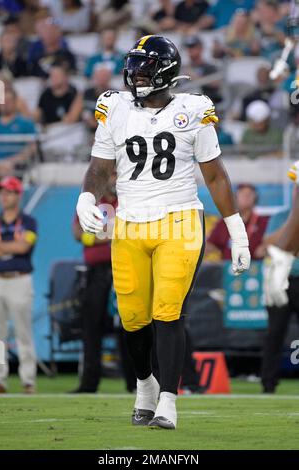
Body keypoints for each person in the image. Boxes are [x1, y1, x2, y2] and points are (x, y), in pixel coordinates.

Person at [76, 35, 251, 430]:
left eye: (146, 66)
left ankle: (168, 401)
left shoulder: (193, 109)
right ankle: (145, 387)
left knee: (167, 311)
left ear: (167, 71)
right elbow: (100, 167)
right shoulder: (115, 107)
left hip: (180, 221)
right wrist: (86, 197)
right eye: (134, 65)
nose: (137, 74)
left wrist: (236, 231)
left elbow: (215, 175)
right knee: (133, 317)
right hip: (130, 224)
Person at [71, 172, 117, 393]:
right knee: (91, 327)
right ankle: (89, 383)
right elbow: (77, 232)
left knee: (131, 324)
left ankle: (135, 383)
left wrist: (94, 236)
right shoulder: (90, 201)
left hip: (123, 268)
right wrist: (105, 235)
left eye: (116, 174)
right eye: (111, 174)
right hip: (96, 272)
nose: (113, 179)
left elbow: (126, 231)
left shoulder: (128, 198)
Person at [262, 162, 299, 393]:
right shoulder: (281, 215)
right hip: (283, 278)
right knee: (274, 333)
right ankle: (268, 383)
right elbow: (269, 243)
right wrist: (293, 221)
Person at [0, 176, 38, 394]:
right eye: (2, 191)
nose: (4, 195)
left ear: (18, 195)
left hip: (20, 279)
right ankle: (0, 379)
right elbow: (18, 245)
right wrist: (12, 245)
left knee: (24, 333)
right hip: (0, 280)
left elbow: (23, 247)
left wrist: (6, 246)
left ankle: (28, 380)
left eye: (9, 191)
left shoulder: (29, 222)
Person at [206, 183, 269, 260]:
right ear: (236, 198)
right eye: (242, 194)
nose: (246, 197)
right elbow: (210, 244)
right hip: (228, 268)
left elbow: (272, 243)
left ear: (255, 198)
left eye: (249, 194)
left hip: (254, 268)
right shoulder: (225, 222)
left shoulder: (263, 222)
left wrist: (266, 247)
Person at [0, 88, 37, 177]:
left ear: (15, 102)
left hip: (16, 166)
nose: (5, 104)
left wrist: (14, 160)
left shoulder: (25, 123)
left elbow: (33, 147)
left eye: (9, 101)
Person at [183, 35, 222, 104]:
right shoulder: (183, 68)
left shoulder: (209, 67)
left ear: (201, 49)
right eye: (188, 47)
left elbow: (216, 84)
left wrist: (194, 77)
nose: (190, 50)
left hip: (205, 103)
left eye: (193, 47)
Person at [83, 65, 113, 134]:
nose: (101, 79)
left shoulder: (115, 96)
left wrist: (95, 124)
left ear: (109, 78)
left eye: (104, 76)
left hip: (107, 132)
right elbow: (76, 113)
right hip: (85, 130)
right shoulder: (85, 93)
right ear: (94, 77)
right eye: (99, 76)